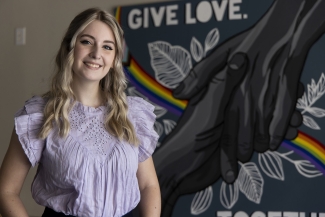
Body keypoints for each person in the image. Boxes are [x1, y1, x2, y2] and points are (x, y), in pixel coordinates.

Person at [0, 8, 161, 217]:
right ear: (69, 47)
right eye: (87, 42)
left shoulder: (131, 115)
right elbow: (6, 190)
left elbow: (149, 185)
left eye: (107, 47)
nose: (96, 54)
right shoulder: (40, 114)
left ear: (114, 59)